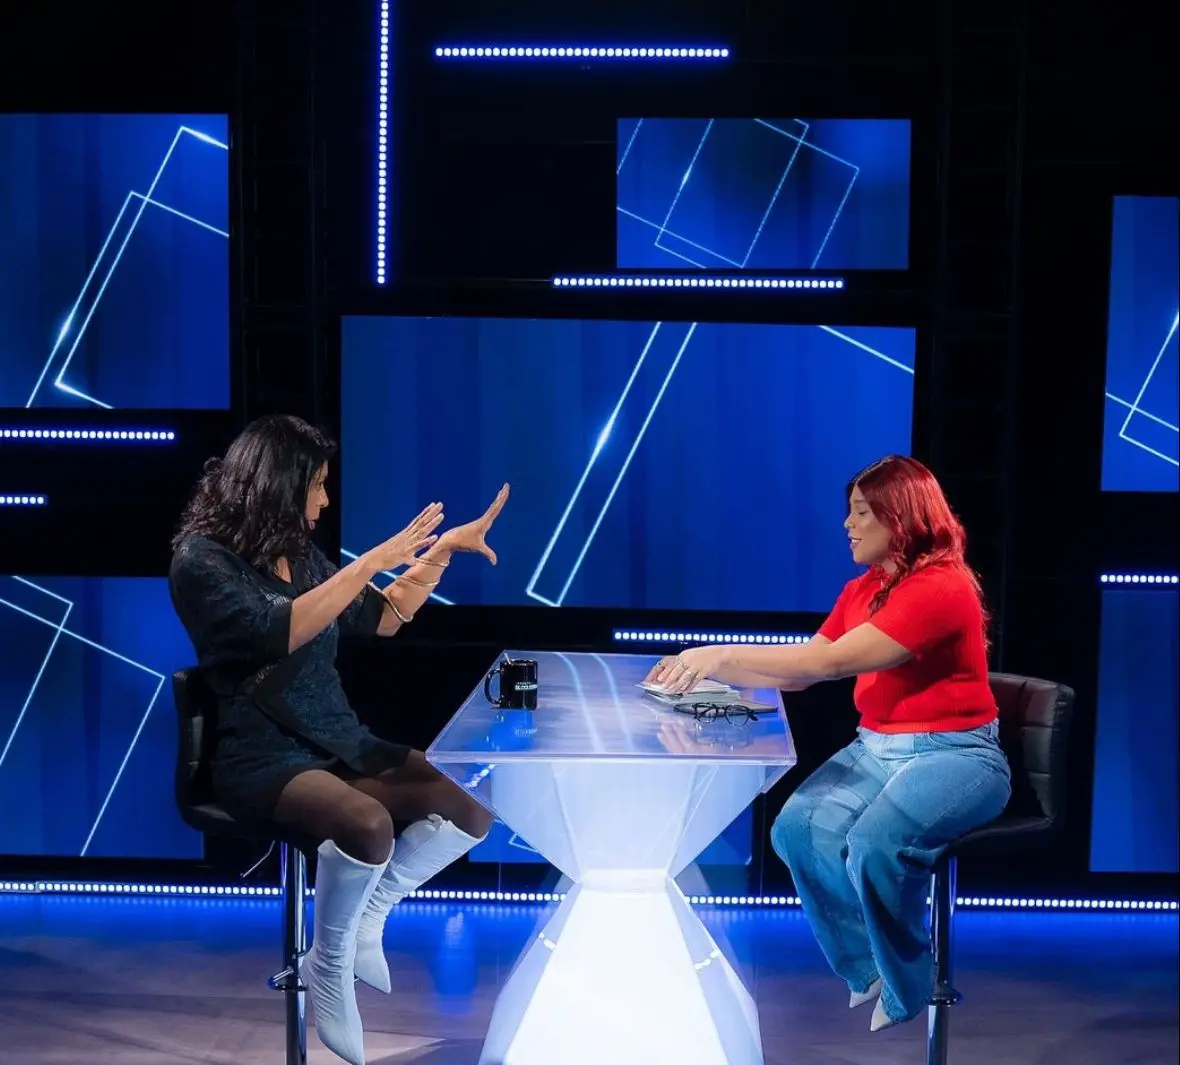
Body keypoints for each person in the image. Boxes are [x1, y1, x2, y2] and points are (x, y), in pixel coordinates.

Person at [169, 414, 509, 1065]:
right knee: (367, 823)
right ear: (280, 482)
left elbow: (381, 617)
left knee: (469, 801)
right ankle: (327, 966)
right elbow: (278, 631)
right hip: (258, 754)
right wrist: (372, 561)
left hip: (335, 738)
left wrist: (439, 552)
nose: (325, 500)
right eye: (318, 484)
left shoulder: (296, 552)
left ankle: (367, 915)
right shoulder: (201, 560)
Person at [644, 454, 1011, 1032]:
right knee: (798, 829)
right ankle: (865, 968)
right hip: (876, 747)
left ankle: (909, 981)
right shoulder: (863, 589)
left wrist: (719, 653)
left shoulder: (941, 587)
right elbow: (800, 672)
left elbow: (832, 662)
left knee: (874, 843)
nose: (848, 524)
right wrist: (705, 670)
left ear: (901, 517)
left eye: (862, 512)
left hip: (956, 754)